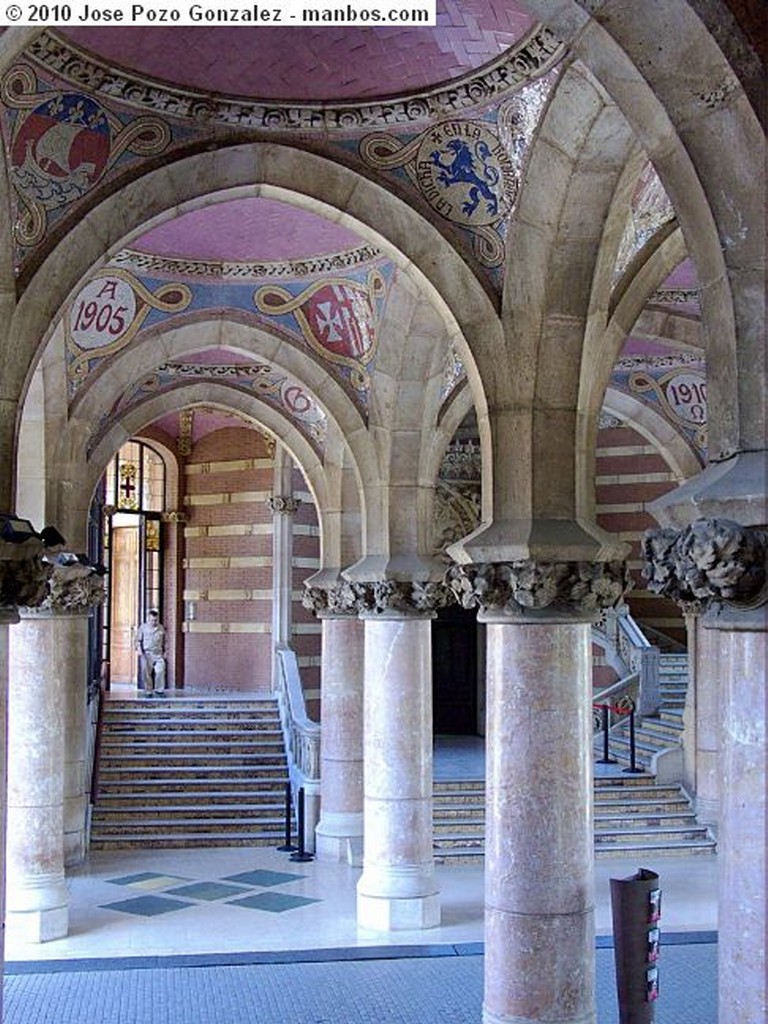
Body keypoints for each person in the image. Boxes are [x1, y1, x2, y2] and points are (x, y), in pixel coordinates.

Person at [136, 609, 167, 696]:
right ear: (148, 619)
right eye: (152, 620)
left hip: (158, 653)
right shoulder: (143, 628)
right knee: (146, 672)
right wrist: (139, 650)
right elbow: (138, 640)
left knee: (160, 671)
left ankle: (159, 689)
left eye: (156, 620)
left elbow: (165, 641)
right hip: (147, 654)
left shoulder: (161, 628)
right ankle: (148, 690)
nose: (154, 622)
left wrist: (166, 652)